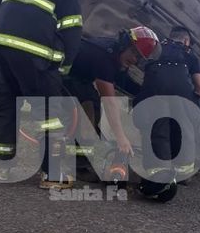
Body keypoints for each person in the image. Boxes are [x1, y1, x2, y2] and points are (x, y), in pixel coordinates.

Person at [0, 0, 93, 188]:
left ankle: (2, 169)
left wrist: (7, 17)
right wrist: (62, 68)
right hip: (34, 58)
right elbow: (72, 32)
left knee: (5, 108)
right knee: (50, 117)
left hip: (0, 50)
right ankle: (52, 175)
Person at [134, 25, 200, 201]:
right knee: (184, 131)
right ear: (187, 40)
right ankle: (183, 175)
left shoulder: (155, 48)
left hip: (154, 93)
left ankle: (159, 174)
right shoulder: (189, 54)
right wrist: (197, 98)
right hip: (181, 95)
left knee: (158, 132)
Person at [63, 26, 160, 159]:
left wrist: (146, 92)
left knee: (94, 109)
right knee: (88, 114)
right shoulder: (104, 57)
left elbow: (123, 81)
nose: (134, 60)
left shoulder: (116, 54)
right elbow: (109, 102)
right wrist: (121, 138)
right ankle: (77, 161)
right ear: (125, 45)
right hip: (64, 78)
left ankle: (80, 157)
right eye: (134, 53)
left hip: (79, 80)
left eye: (138, 57)